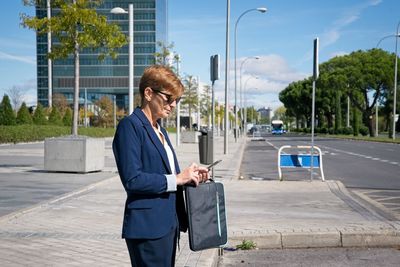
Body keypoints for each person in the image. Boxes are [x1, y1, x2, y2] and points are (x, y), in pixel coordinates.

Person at [112, 65, 209, 267]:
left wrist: (190, 177)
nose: (173, 105)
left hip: (168, 224)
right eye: (169, 98)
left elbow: (169, 175)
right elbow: (133, 179)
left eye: (177, 100)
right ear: (148, 93)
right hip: (148, 228)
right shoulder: (130, 126)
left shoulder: (160, 130)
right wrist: (177, 178)